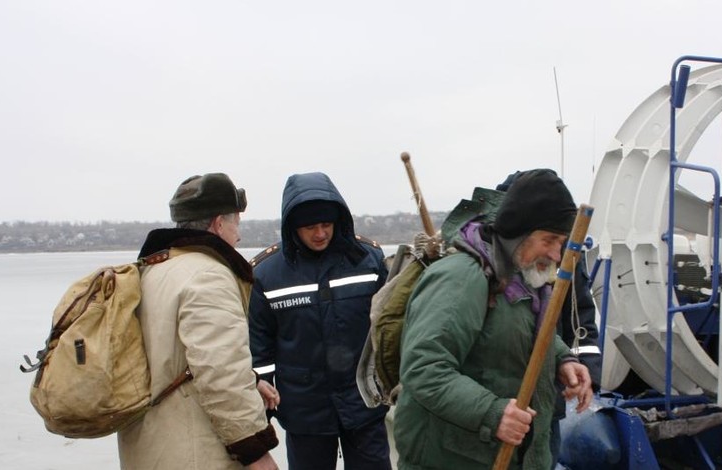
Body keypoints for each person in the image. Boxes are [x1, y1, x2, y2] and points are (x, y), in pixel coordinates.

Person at [394, 169, 593, 470]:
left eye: (562, 241)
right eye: (549, 239)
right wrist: (493, 413)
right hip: (452, 459)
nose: (556, 253)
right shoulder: (461, 277)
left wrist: (564, 359)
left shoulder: (517, 273)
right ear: (520, 230)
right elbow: (424, 367)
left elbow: (519, 329)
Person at [117, 173, 280, 470]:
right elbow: (221, 373)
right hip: (196, 453)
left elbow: (173, 357)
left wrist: (251, 380)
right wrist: (256, 452)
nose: (238, 236)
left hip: (147, 447)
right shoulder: (209, 277)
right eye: (236, 224)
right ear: (219, 223)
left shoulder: (152, 270)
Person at [248, 172, 391, 470]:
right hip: (304, 412)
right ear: (293, 227)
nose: (320, 233)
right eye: (310, 227)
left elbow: (390, 326)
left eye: (326, 224)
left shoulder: (368, 260)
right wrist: (262, 392)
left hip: (365, 401)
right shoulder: (267, 273)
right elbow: (259, 345)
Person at [495, 171, 602, 468]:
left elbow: (581, 318)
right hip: (495, 410)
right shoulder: (486, 266)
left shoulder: (565, 258)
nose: (555, 251)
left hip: (546, 404)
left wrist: (582, 370)